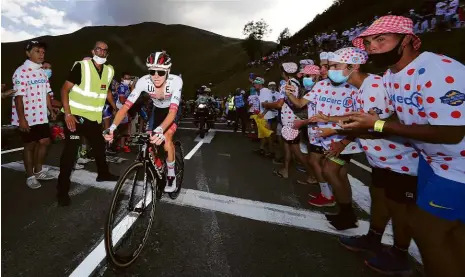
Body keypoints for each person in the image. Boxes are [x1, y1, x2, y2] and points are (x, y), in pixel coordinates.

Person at [344, 15, 465, 277]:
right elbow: (401, 117)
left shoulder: (440, 70)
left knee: (426, 230)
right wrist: (370, 126)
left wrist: (378, 126)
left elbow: (453, 131)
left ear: (408, 40)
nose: (371, 47)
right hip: (433, 162)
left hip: (458, 166)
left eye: (380, 39)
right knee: (452, 235)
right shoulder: (390, 76)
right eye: (367, 42)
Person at [309, 47, 419, 274]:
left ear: (353, 67)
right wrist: (330, 119)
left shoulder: (375, 87)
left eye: (335, 66)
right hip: (380, 159)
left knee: (400, 210)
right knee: (378, 198)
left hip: (400, 160)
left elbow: (377, 127)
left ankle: (400, 255)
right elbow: (358, 118)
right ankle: (373, 238)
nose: (330, 71)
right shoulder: (361, 87)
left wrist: (335, 132)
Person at [104, 51, 182, 193]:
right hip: (157, 110)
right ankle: (158, 166)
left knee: (167, 139)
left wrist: (161, 130)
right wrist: (113, 127)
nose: (156, 76)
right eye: (152, 71)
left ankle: (171, 175)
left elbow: (172, 113)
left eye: (161, 72)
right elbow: (125, 107)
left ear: (168, 71)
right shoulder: (143, 81)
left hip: (171, 111)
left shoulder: (176, 81)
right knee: (149, 142)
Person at [57, 41, 119, 206]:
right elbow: (64, 90)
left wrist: (114, 107)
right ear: (93, 51)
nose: (102, 52)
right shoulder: (81, 66)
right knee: (71, 153)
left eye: (105, 50)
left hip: (93, 119)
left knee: (99, 148)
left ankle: (103, 174)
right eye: (99, 49)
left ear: (108, 54)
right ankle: (62, 192)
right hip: (75, 118)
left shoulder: (109, 70)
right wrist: (68, 114)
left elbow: (106, 91)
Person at [12, 40, 56, 189]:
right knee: (30, 145)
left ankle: (38, 171)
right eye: (37, 51)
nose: (41, 54)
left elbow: (46, 94)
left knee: (44, 141)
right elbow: (18, 98)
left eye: (43, 52)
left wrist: (50, 110)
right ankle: (30, 176)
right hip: (28, 117)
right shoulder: (21, 72)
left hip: (41, 115)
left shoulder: (42, 72)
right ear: (28, 53)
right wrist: (22, 119)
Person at [115, 72, 132, 152]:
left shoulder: (126, 86)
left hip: (123, 108)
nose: (128, 80)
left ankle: (120, 144)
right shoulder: (122, 87)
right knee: (122, 128)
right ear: (122, 79)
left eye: (129, 78)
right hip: (120, 108)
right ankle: (120, 145)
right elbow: (122, 100)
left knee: (123, 127)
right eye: (126, 78)